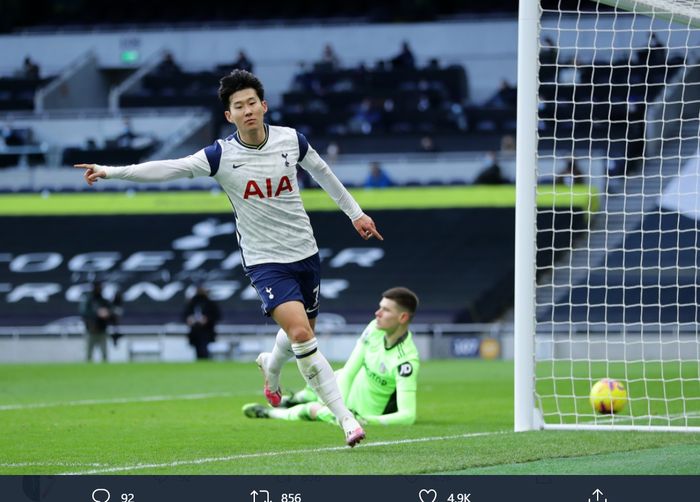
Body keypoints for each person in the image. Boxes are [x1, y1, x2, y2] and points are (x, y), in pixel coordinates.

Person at [74, 69, 382, 447]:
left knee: (301, 332)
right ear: (229, 115)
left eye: (252, 102)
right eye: (239, 106)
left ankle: (271, 368)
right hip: (264, 261)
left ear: (264, 106)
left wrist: (356, 214)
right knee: (302, 334)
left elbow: (323, 173)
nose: (248, 110)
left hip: (305, 252)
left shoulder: (291, 141)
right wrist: (110, 171)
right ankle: (346, 420)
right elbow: (170, 169)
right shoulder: (221, 155)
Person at [242, 287, 420, 426]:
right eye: (379, 307)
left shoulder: (406, 361)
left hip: (359, 410)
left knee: (311, 410)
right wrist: (338, 406)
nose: (377, 313)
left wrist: (360, 418)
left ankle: (269, 413)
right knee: (330, 375)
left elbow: (408, 416)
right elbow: (350, 370)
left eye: (386, 310)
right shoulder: (374, 328)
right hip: (345, 393)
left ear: (403, 317)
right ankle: (294, 399)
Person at [183, 284, 221, 360]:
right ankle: (202, 362)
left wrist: (207, 319)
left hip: (207, 330)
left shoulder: (209, 303)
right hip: (195, 330)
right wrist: (189, 319)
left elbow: (216, 315)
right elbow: (185, 315)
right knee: (198, 349)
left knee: (204, 348)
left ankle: (205, 361)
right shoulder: (192, 303)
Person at [79, 281, 114, 362]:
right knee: (89, 353)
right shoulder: (89, 301)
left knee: (104, 353)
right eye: (98, 287)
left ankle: (105, 370)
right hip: (91, 330)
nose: (100, 289)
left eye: (100, 288)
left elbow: (111, 311)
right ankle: (88, 370)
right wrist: (97, 313)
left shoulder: (104, 301)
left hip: (102, 329)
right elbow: (84, 313)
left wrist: (107, 312)